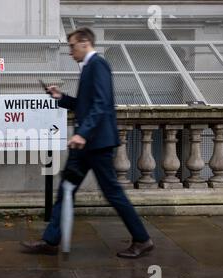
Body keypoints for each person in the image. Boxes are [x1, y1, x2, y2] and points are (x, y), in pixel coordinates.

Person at [20, 27, 154, 259]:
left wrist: (82, 133)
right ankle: (51, 241)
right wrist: (61, 98)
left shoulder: (98, 65)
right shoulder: (89, 68)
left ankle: (142, 239)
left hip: (96, 143)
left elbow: (101, 104)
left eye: (72, 46)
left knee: (112, 192)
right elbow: (85, 104)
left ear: (84, 43)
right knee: (66, 189)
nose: (70, 52)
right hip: (85, 145)